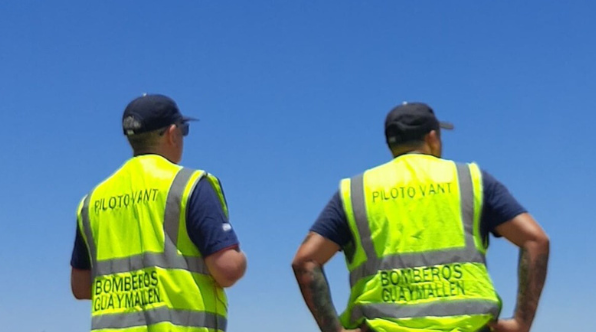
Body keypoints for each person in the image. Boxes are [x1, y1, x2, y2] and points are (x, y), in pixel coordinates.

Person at [292, 102, 550, 332]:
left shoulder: (356, 191)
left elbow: (306, 260)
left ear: (391, 144)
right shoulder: (469, 180)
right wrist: (521, 322)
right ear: (432, 137)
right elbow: (535, 240)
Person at [70, 94, 247, 332]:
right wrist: (240, 259)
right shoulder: (189, 186)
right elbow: (228, 269)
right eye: (184, 131)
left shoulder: (92, 202)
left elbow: (80, 287)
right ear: (172, 133)